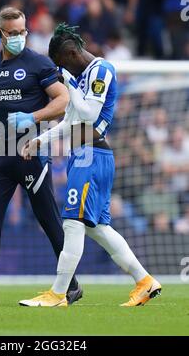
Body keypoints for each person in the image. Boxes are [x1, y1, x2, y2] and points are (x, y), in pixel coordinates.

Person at [19, 24, 161, 307]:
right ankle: (144, 281)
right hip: (84, 154)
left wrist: (69, 81)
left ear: (72, 52)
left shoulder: (101, 70)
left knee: (72, 222)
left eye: (62, 62)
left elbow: (90, 114)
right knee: (98, 228)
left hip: (92, 155)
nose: (61, 69)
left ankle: (58, 294)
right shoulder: (82, 78)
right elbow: (71, 122)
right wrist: (40, 141)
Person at [0, 7, 82, 306]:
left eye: (22, 32)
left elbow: (64, 100)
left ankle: (71, 284)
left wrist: (32, 117)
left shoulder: (38, 64)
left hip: (31, 153)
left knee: (48, 220)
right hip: (0, 154)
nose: (19, 37)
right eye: (12, 33)